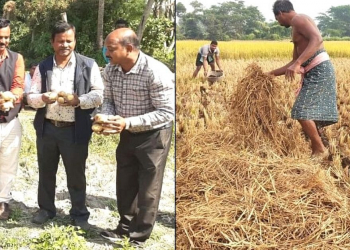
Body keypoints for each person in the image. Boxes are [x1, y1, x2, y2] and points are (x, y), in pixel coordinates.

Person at [98, 28, 174, 247]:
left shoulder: (155, 72)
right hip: (126, 132)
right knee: (125, 181)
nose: (107, 53)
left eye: (111, 49)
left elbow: (166, 112)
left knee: (148, 187)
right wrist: (107, 116)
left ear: (129, 49)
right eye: (106, 49)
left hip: (154, 135)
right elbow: (108, 99)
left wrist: (127, 122)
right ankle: (124, 228)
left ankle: (139, 237)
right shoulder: (111, 70)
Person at [27, 21, 104, 230]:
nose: (65, 45)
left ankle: (79, 214)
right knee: (46, 171)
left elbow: (98, 94)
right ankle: (45, 209)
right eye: (60, 41)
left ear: (75, 41)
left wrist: (78, 100)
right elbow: (30, 97)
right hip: (48, 128)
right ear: (53, 42)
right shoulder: (43, 67)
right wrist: (43, 97)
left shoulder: (88, 64)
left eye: (69, 41)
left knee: (76, 173)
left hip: (75, 129)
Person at [268, 0, 338, 157]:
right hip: (313, 72)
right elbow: (293, 63)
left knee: (301, 111)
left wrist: (299, 63)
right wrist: (270, 74)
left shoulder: (299, 19)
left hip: (319, 70)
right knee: (309, 112)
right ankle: (318, 148)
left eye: (277, 18)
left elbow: (317, 39)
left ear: (280, 13)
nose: (277, 22)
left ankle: (320, 149)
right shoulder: (295, 27)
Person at [0, 19, 25, 220]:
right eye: (0, 37)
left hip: (9, 121)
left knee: (8, 164)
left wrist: (11, 97)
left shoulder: (16, 58)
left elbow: (18, 85)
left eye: (6, 37)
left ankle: (3, 201)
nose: (3, 41)